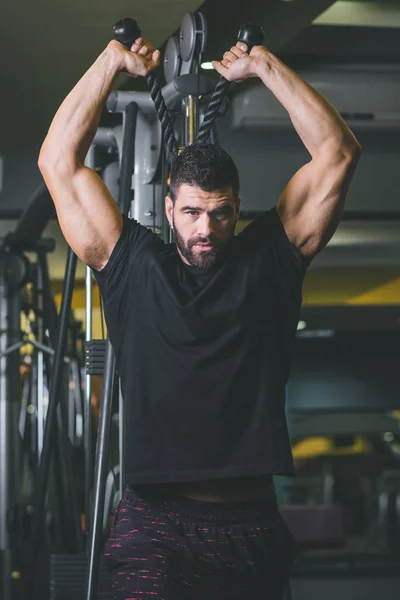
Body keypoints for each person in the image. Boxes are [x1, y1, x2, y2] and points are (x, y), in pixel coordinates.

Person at [38, 30, 360, 600]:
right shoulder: (131, 264)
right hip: (155, 526)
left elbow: (337, 152)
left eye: (220, 214)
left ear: (237, 207)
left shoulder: (271, 260)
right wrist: (110, 64)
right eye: (190, 213)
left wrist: (264, 66)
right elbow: (57, 162)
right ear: (169, 206)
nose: (205, 229)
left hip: (250, 525)